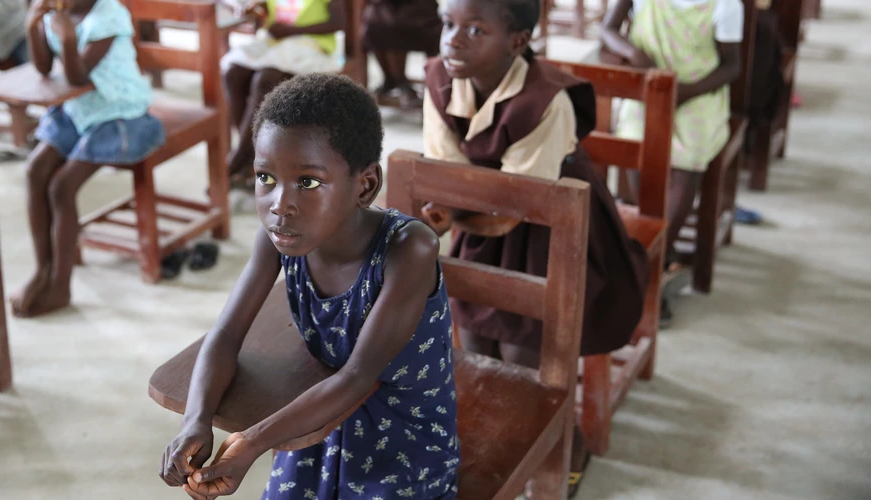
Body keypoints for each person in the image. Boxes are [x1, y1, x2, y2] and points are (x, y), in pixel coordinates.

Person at [159, 73, 460, 499]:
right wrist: (196, 417)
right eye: (266, 177)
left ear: (365, 185)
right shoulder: (279, 237)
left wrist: (252, 442)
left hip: (402, 434)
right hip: (314, 416)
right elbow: (225, 334)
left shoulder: (409, 250)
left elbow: (357, 377)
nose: (280, 204)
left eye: (308, 182)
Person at [422, 0, 648, 494]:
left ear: (518, 42)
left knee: (524, 350)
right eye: (448, 24)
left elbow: (515, 204)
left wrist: (446, 211)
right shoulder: (440, 77)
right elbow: (445, 173)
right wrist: (448, 205)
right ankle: (492, 442)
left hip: (556, 229)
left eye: (475, 30)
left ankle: (566, 441)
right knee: (475, 344)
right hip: (480, 218)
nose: (453, 40)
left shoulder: (547, 100)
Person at [11, 0, 165, 317]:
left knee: (61, 188)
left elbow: (77, 76)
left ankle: (60, 285)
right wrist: (32, 27)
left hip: (120, 112)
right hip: (78, 109)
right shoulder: (57, 13)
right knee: (35, 171)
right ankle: (42, 270)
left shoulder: (110, 15)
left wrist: (67, 38)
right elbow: (42, 67)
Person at [601, 0, 744, 310]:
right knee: (635, 144)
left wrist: (686, 92)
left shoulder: (725, 5)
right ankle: (655, 249)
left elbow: (732, 65)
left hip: (698, 92)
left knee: (686, 159)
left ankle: (654, 259)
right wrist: (634, 53)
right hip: (650, 86)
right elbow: (608, 29)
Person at [220, 0, 344, 188]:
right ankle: (254, 154)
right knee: (232, 73)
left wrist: (291, 30)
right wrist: (252, 7)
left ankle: (242, 156)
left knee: (265, 79)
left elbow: (339, 22)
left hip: (309, 42)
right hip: (274, 41)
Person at [362, 0, 442, 107]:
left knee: (394, 26)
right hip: (385, 6)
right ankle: (390, 79)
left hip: (417, 8)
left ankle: (400, 81)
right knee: (372, 24)